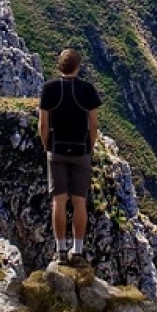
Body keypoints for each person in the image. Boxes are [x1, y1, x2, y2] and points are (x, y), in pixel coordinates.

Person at [38, 48, 102, 266]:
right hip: (81, 150)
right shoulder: (87, 90)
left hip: (56, 149)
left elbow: (43, 124)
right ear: (78, 66)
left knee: (59, 200)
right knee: (79, 201)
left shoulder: (49, 88)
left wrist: (47, 146)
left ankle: (61, 250)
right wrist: (90, 146)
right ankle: (78, 250)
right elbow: (93, 125)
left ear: (59, 65)